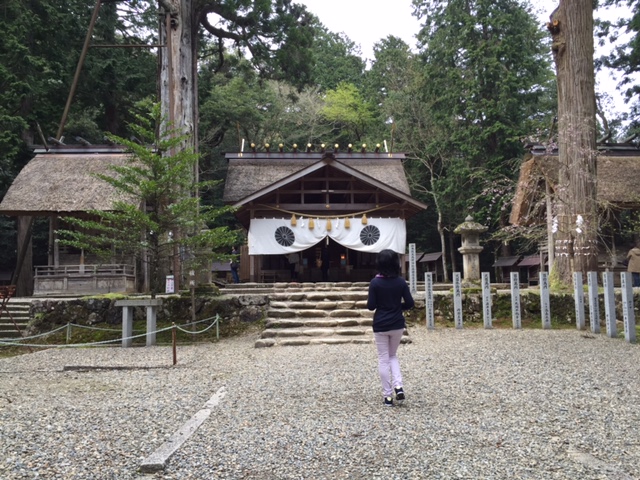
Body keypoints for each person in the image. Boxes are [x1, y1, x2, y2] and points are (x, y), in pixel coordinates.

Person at [367, 249, 414, 407]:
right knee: (393, 355)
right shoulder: (400, 282)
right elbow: (410, 304)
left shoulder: (375, 282)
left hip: (380, 324)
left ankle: (387, 396)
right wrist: (396, 306)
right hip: (397, 324)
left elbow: (371, 306)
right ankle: (398, 386)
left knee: (383, 359)